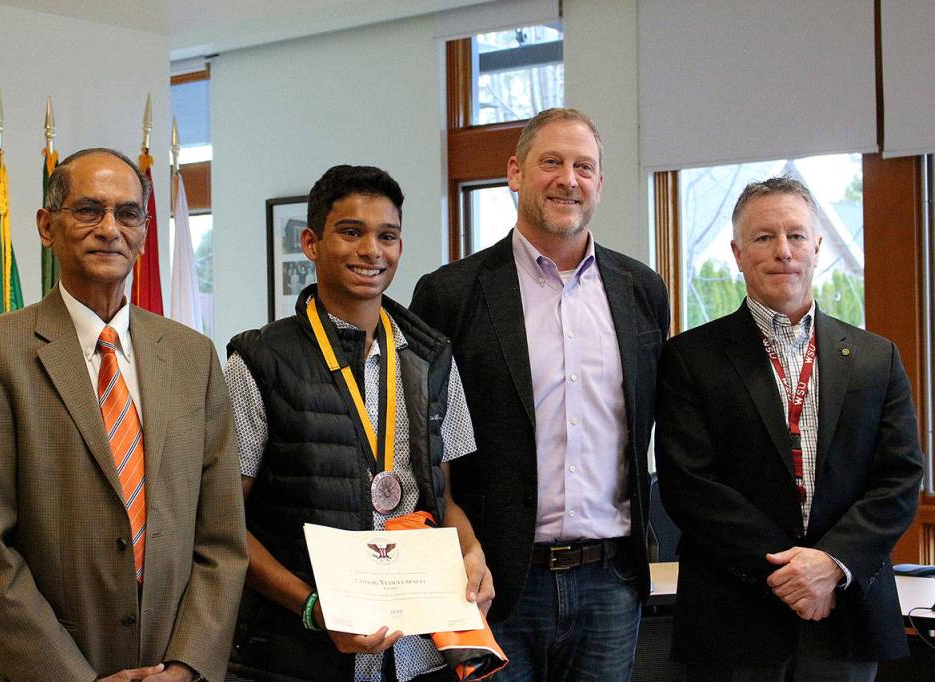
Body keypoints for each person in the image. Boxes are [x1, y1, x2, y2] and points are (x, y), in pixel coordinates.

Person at [0, 148, 247, 682]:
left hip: (167, 669)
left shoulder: (193, 356)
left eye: (127, 214)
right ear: (45, 226)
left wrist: (186, 665)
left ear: (144, 235)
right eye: (88, 211)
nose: (110, 229)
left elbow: (220, 538)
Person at [410, 108, 670, 681]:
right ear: (515, 173)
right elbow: (425, 445)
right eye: (550, 162)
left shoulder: (641, 291)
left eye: (584, 166)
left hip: (611, 583)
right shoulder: (449, 294)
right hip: (495, 583)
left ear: (600, 183)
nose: (567, 179)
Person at [225, 164, 493, 681]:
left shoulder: (433, 358)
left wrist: (472, 551)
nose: (372, 251)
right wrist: (313, 608)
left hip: (417, 655)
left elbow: (443, 498)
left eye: (387, 236)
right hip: (301, 653)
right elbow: (224, 524)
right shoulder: (259, 361)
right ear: (310, 242)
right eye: (351, 232)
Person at [655, 176, 923, 681]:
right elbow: (690, 486)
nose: (783, 251)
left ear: (817, 247)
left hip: (845, 611)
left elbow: (900, 478)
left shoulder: (874, 358)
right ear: (737, 253)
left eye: (796, 236)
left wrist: (832, 563)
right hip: (735, 613)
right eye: (764, 238)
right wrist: (791, 572)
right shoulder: (690, 359)